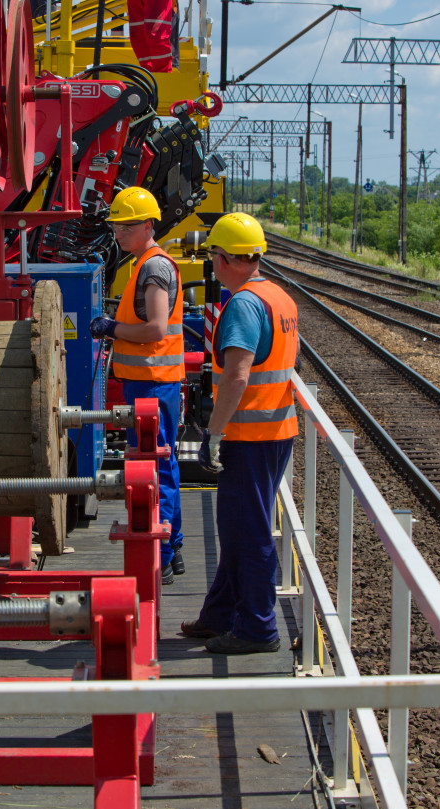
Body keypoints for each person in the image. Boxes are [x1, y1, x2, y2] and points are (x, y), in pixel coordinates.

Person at [180, 213, 298, 654]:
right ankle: (221, 614)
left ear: (224, 258)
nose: (212, 263)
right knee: (235, 526)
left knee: (247, 531)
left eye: (213, 255)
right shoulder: (278, 297)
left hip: (250, 438)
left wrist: (212, 433)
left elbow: (236, 376)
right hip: (276, 430)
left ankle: (258, 628)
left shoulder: (244, 305)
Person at [89, 187, 185, 584]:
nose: (118, 233)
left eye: (127, 226)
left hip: (152, 384)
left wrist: (112, 328)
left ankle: (160, 553)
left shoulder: (154, 268)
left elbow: (156, 328)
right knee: (162, 465)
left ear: (148, 225)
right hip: (149, 383)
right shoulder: (143, 262)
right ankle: (173, 545)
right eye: (115, 226)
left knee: (154, 468)